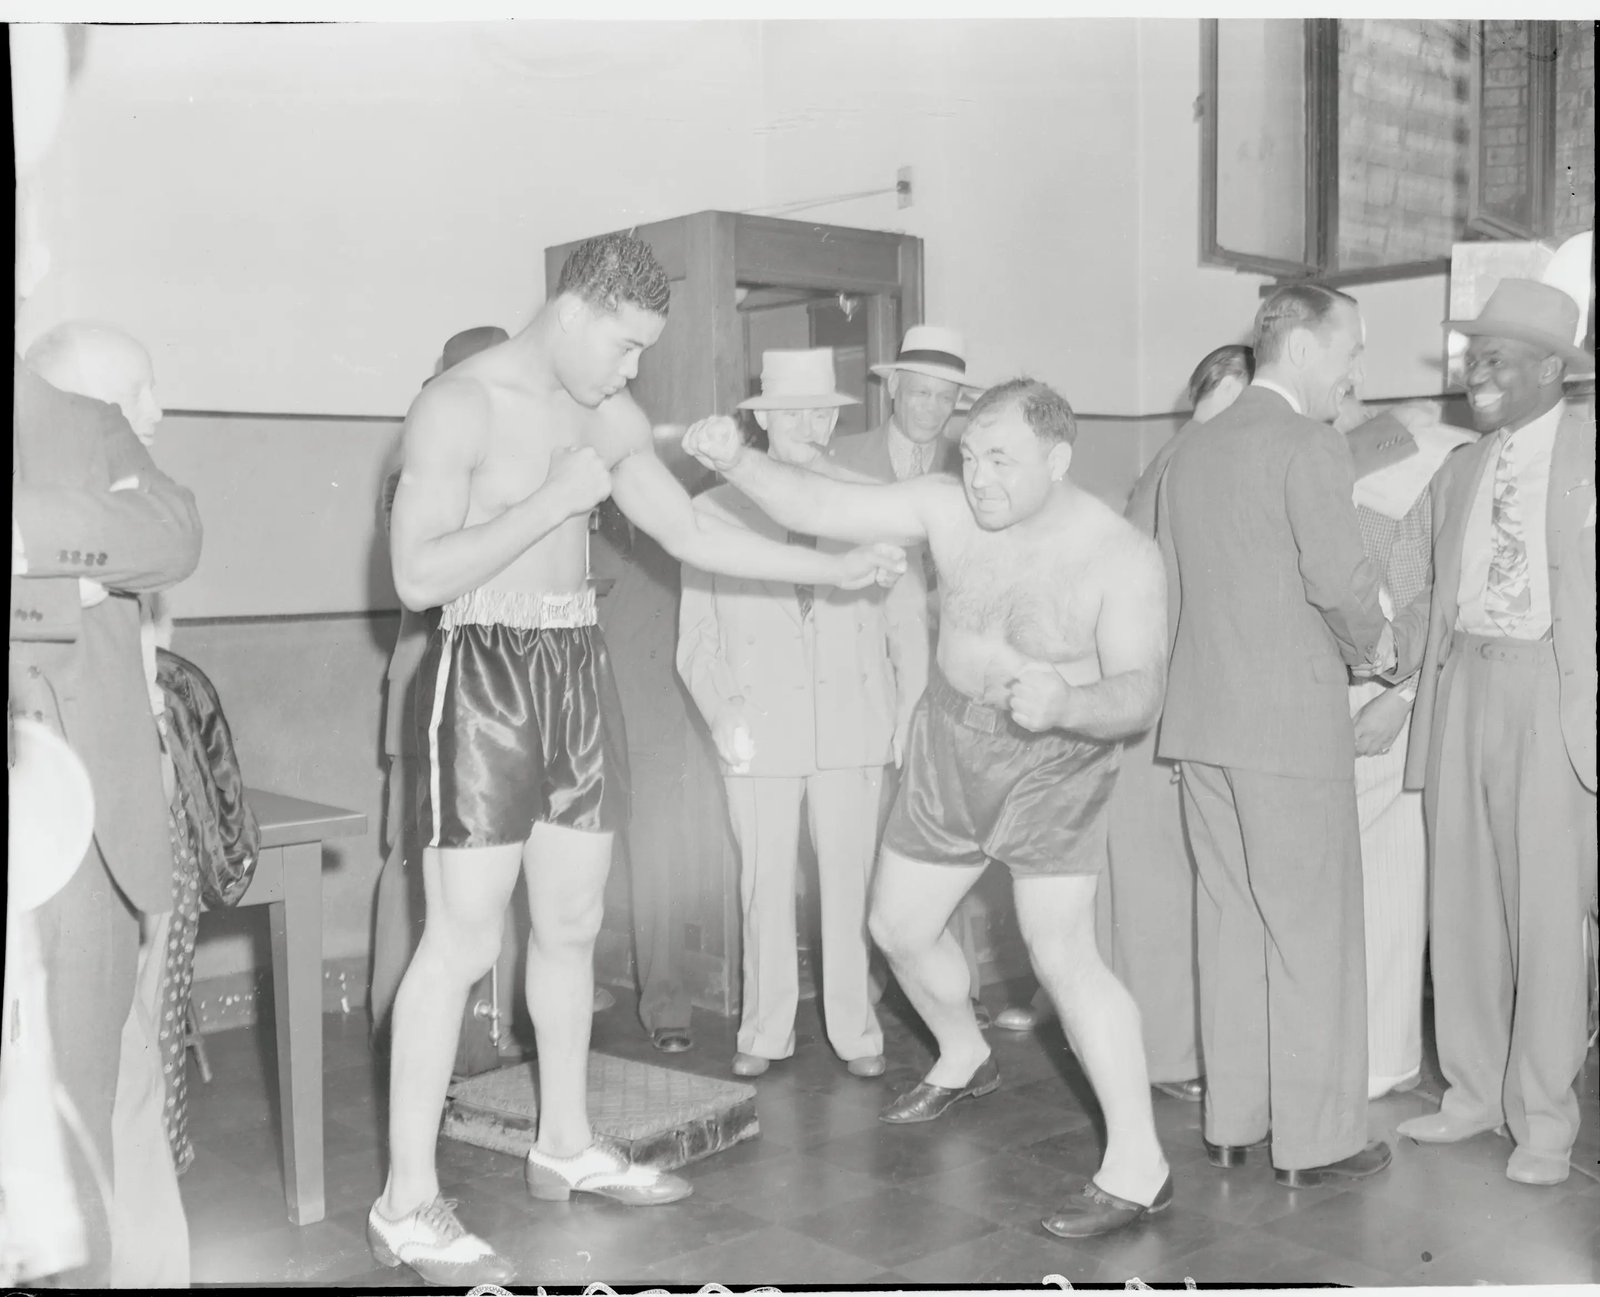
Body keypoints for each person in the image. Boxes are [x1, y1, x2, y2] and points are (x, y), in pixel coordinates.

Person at [369, 232, 905, 1285]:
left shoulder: (607, 415)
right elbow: (416, 576)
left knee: (571, 924)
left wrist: (827, 569)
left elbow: (689, 533)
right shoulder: (458, 405)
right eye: (623, 344)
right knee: (462, 939)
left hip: (577, 663)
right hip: (484, 671)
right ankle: (405, 1200)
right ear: (573, 311)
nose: (633, 370)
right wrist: (552, 501)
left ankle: (564, 1141)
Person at [685, 377, 1173, 1239]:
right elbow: (820, 504)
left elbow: (1141, 692)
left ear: (1058, 459)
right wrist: (737, 461)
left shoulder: (1119, 555)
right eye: (971, 455)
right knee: (897, 927)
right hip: (951, 737)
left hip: (1056, 757)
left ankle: (1140, 1167)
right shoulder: (950, 508)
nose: (979, 477)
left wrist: (1067, 702)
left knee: (1061, 952)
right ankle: (965, 1051)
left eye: (1002, 460)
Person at [10, 23, 199, 1286]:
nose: (159, 417)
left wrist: (34, 544)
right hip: (51, 830)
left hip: (108, 842)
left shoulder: (91, 454)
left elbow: (172, 532)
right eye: (144, 395)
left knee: (111, 1110)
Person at [1156, 283, 1395, 1191]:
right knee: (1311, 932)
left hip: (1202, 722)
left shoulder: (1193, 449)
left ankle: (1233, 1122)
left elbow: (1174, 590)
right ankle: (1316, 1141)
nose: (1354, 371)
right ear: (1301, 348)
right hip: (1290, 727)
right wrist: (1380, 649)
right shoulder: (1308, 443)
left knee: (1231, 925)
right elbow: (1338, 581)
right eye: (1349, 350)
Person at [995, 347, 1254, 1094]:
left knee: (1132, 883)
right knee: (1155, 887)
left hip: (1130, 699)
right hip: (1154, 706)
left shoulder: (1175, 460)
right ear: (1223, 391)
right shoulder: (1201, 462)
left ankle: (1107, 1028)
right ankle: (1165, 1056)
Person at [1390, 279, 1596, 1187]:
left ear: (1550, 368)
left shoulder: (1592, 452)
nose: (1477, 370)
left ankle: (1544, 1122)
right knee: (1463, 904)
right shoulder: (1461, 468)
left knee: (1547, 919)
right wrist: (1390, 664)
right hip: (1461, 687)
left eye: (1497, 357)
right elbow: (1417, 584)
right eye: (1474, 355)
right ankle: (1472, 1093)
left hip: (1552, 695)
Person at [678, 348, 928, 1080]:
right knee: (764, 884)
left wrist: (908, 711)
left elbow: (907, 625)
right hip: (758, 727)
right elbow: (696, 639)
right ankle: (765, 1031)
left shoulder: (871, 501)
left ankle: (857, 1031)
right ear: (763, 419)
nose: (812, 425)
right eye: (795, 413)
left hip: (854, 722)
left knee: (849, 882)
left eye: (823, 412)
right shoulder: (711, 510)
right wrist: (723, 711)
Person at [369, 324, 509, 1045]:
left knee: (473, 873)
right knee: (414, 867)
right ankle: (396, 1034)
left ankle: (472, 1040)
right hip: (435, 686)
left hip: (483, 694)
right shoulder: (425, 460)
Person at [864, 326, 994, 1026]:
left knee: (942, 835)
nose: (932, 410)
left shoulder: (973, 471)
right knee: (865, 834)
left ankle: (953, 991)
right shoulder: (845, 458)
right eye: (920, 394)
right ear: (893, 388)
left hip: (944, 684)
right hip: (859, 674)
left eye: (946, 399)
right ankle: (866, 991)